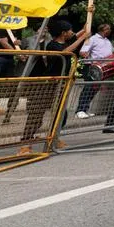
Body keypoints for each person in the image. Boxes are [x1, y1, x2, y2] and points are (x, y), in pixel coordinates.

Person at [21, 18, 89, 153]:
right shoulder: (52, 45)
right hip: (48, 84)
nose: (72, 33)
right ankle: (26, 142)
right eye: (70, 30)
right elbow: (65, 52)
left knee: (61, 113)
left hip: (63, 84)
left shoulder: (68, 41)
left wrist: (88, 18)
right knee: (37, 114)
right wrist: (82, 39)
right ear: (63, 33)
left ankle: (54, 138)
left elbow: (80, 34)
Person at [74, 23, 114, 119]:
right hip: (92, 66)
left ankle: (85, 109)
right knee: (88, 87)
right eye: (107, 29)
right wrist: (84, 53)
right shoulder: (92, 39)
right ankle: (80, 110)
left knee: (94, 89)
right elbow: (83, 51)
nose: (109, 30)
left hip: (102, 67)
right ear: (101, 30)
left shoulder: (108, 41)